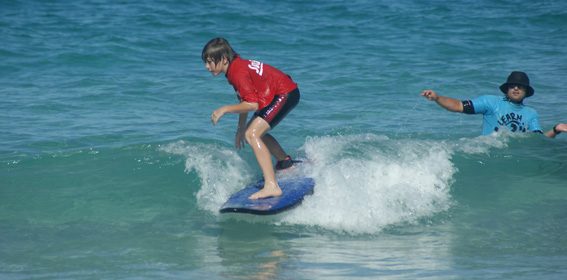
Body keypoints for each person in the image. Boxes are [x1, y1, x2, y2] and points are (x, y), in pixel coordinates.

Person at [202, 37, 300, 199]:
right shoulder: (235, 67)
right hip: (280, 93)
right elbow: (244, 101)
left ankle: (272, 186)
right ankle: (285, 164)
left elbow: (252, 104)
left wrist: (224, 109)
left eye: (210, 62)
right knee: (250, 131)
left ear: (224, 59)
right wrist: (240, 128)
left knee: (252, 134)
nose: (206, 66)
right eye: (206, 62)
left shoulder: (237, 72)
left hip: (285, 94)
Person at [420, 71, 567, 138]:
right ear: (507, 89)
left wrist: (556, 129)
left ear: (526, 91)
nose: (516, 88)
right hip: (489, 153)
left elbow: (538, 141)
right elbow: (459, 106)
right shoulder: (490, 102)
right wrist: (437, 98)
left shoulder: (531, 113)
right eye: (513, 85)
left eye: (520, 86)